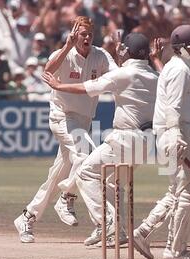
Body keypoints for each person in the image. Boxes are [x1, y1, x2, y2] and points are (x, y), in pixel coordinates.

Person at [42, 32, 159, 247]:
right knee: (114, 185)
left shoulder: (124, 74)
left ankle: (108, 223)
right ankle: (117, 231)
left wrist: (58, 86)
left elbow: (87, 88)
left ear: (127, 52)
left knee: (86, 172)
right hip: (148, 143)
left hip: (126, 138)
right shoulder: (154, 76)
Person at [14, 16, 117, 243]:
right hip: (62, 117)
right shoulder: (64, 53)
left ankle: (27, 217)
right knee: (87, 158)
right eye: (83, 33)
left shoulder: (100, 55)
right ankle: (72, 200)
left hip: (84, 122)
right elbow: (47, 71)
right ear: (74, 34)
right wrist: (67, 46)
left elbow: (117, 75)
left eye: (90, 33)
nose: (87, 37)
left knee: (58, 175)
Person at [133, 24, 190, 259]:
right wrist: (177, 134)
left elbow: (178, 107)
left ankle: (143, 232)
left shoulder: (178, 67)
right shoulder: (180, 70)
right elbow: (173, 107)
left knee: (176, 191)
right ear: (182, 49)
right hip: (174, 132)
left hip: (175, 131)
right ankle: (175, 250)